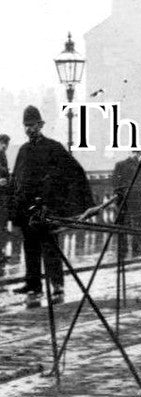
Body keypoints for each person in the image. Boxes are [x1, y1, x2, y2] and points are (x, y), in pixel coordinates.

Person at [10, 106, 94, 307]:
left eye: (32, 125)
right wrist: (16, 211)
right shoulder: (23, 150)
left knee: (50, 248)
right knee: (30, 248)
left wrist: (55, 200)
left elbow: (73, 172)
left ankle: (57, 286)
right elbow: (16, 181)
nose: (29, 129)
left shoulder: (53, 147)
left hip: (47, 210)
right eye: (26, 126)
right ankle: (33, 284)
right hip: (28, 211)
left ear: (40, 125)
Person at [110, 151, 141, 259]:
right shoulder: (139, 166)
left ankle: (128, 247)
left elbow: (114, 182)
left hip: (129, 197)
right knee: (133, 222)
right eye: (137, 153)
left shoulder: (123, 165)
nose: (137, 155)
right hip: (131, 197)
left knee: (128, 222)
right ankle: (132, 247)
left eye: (138, 153)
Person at [0, 133, 17, 270]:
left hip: (3, 197)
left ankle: (2, 253)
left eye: (6, 143)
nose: (5, 146)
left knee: (3, 227)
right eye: (3, 143)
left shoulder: (3, 155)